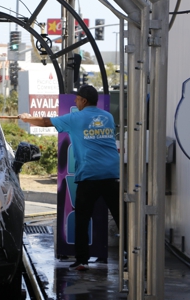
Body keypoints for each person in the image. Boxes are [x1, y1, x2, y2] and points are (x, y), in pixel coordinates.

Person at [19, 85, 120, 271]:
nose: (75, 101)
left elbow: (45, 122)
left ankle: (82, 261)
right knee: (122, 218)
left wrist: (26, 118)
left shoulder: (76, 118)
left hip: (89, 174)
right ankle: (133, 256)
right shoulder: (108, 117)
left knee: (81, 219)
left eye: (77, 98)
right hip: (111, 173)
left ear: (84, 101)